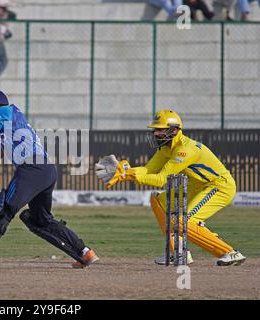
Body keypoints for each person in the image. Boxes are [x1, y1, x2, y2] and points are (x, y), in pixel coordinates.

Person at [0, 89, 99, 269]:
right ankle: (85, 252)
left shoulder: (5, 111)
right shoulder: (11, 126)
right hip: (46, 171)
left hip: (32, 168)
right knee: (41, 220)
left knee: (2, 208)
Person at [96, 110, 246, 266]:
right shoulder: (166, 148)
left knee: (183, 222)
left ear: (174, 130)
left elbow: (161, 179)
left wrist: (128, 175)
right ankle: (179, 253)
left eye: (160, 130)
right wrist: (126, 171)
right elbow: (149, 170)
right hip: (198, 186)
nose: (155, 133)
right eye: (155, 129)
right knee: (158, 200)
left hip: (219, 186)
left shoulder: (185, 150)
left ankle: (229, 252)